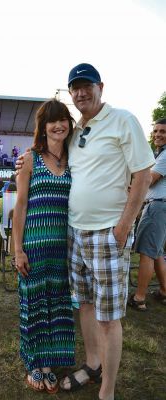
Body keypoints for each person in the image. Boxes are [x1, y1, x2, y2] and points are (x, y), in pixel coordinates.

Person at [16, 64, 155, 400]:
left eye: (86, 86)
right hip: (74, 237)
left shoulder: (123, 120)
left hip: (107, 234)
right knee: (86, 307)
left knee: (108, 317)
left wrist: (124, 226)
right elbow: (26, 195)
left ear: (100, 87)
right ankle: (92, 365)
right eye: (74, 87)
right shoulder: (78, 132)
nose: (81, 93)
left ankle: (106, 390)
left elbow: (143, 174)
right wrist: (26, 161)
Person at [13, 99, 76, 394]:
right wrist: (18, 250)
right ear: (44, 127)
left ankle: (49, 363)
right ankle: (34, 364)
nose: (59, 124)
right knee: (35, 306)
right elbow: (21, 206)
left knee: (57, 306)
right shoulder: (30, 160)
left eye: (63, 118)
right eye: (52, 120)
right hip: (34, 247)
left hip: (61, 249)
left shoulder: (74, 160)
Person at [128, 118, 166, 310]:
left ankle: (139, 298)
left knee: (146, 252)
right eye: (156, 131)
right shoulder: (160, 154)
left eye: (163, 132)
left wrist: (128, 185)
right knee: (157, 252)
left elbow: (149, 180)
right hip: (160, 206)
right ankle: (164, 291)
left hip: (157, 206)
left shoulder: (165, 155)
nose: (158, 134)